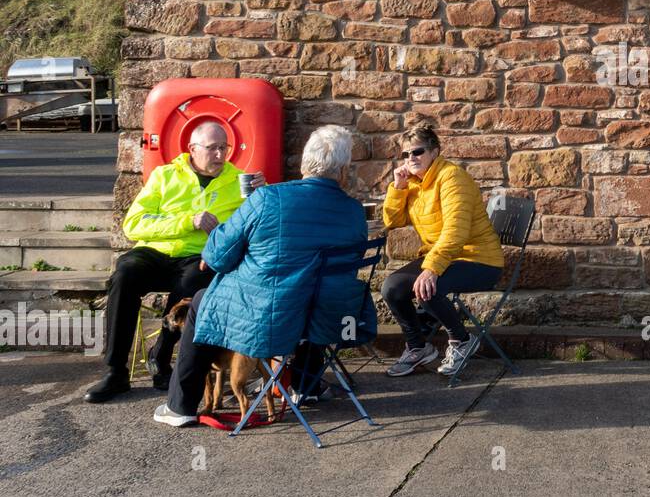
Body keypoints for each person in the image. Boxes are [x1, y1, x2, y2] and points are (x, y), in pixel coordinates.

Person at [154, 125, 376, 427]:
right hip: (329, 314)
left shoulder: (268, 198)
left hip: (268, 316)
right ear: (342, 171)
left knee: (201, 301)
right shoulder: (353, 211)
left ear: (303, 165)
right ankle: (305, 386)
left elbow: (218, 255)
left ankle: (181, 407)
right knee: (311, 289)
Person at [85, 120, 263, 403]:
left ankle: (162, 356)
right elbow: (133, 224)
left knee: (194, 278)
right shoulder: (164, 176)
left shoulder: (238, 180)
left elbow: (253, 228)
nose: (219, 155)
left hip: (199, 256)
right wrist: (187, 221)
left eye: (224, 148)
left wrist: (259, 196)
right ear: (192, 149)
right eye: (212, 148)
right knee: (125, 273)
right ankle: (115, 371)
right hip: (157, 251)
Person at [380, 124, 504, 378]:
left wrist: (431, 269)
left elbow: (456, 231)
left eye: (417, 152)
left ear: (435, 151)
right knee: (391, 287)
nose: (411, 159)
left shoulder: (452, 177)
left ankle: (462, 340)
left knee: (426, 288)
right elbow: (392, 221)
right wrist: (398, 187)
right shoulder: (414, 182)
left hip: (478, 258)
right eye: (405, 154)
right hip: (443, 255)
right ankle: (418, 347)